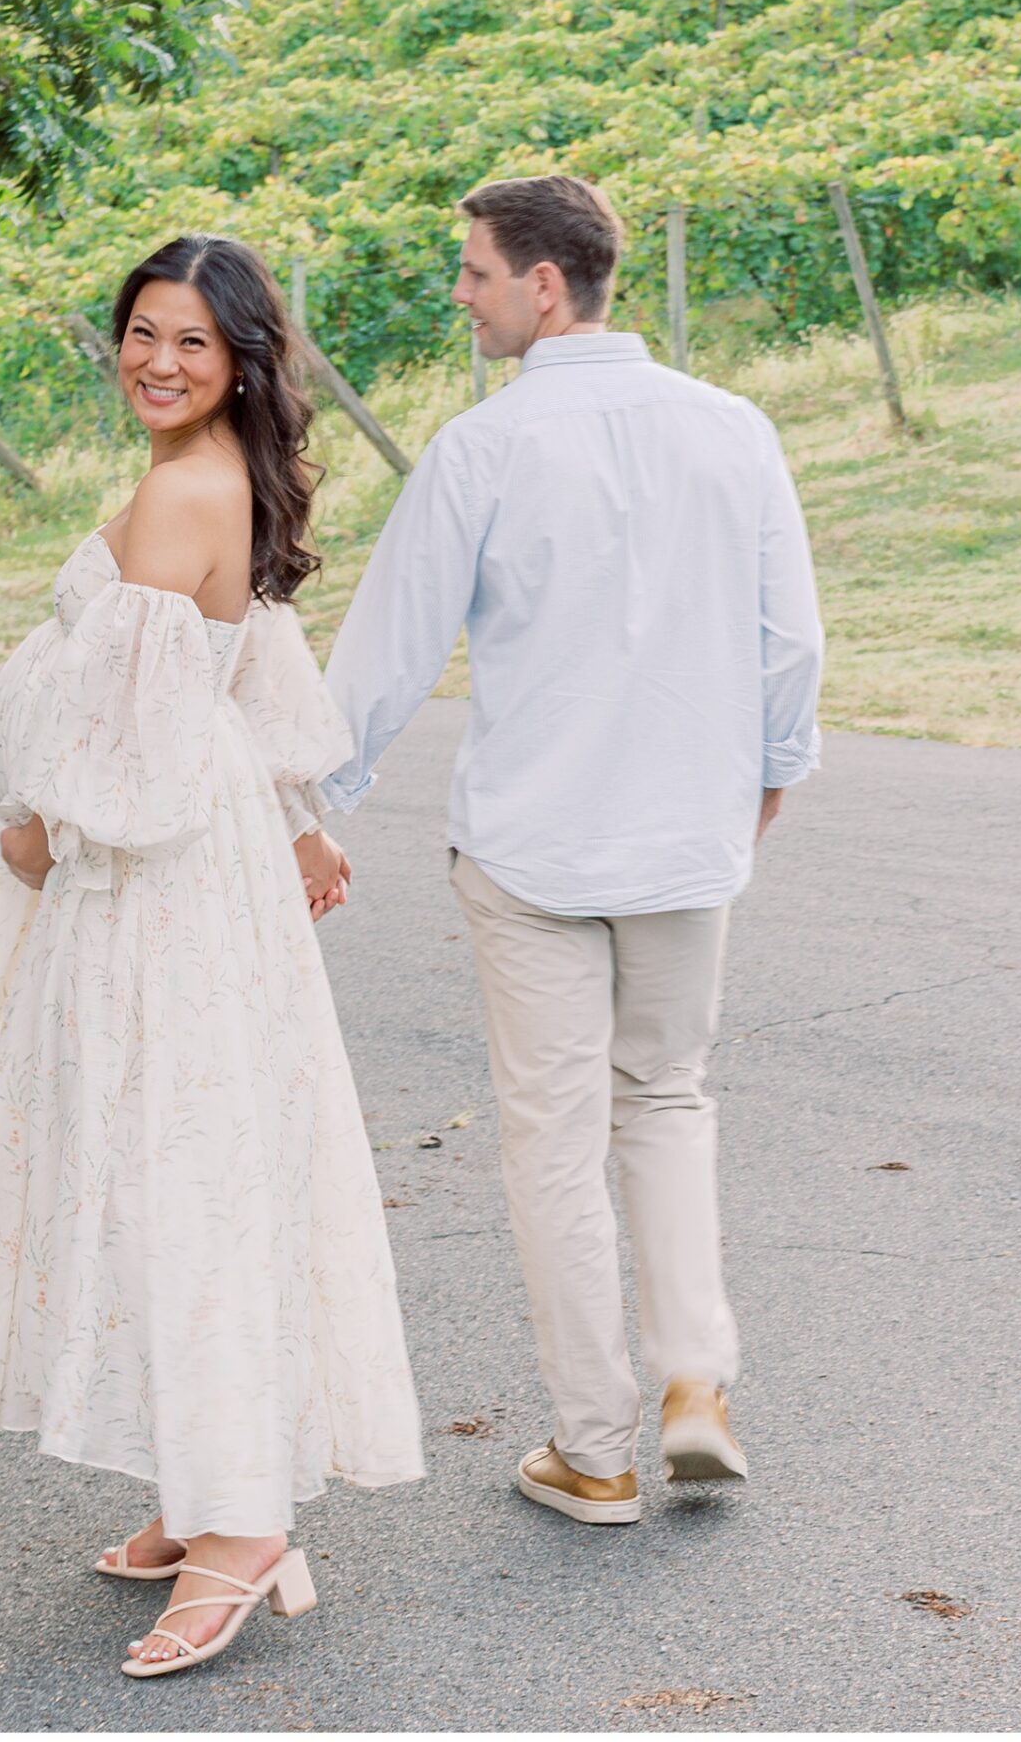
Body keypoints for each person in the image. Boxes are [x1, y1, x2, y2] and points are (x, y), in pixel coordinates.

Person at [0, 234, 422, 1677]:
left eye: (192, 343)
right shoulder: (230, 483)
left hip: (160, 900)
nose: (156, 361)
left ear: (242, 360)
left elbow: (124, 752)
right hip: (215, 883)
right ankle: (216, 1484)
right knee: (200, 1171)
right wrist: (297, 818)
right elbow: (248, 666)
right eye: (142, 332)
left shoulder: (174, 497)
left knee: (176, 1176)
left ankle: (245, 1527)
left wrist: (36, 833)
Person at [320, 174, 823, 1524]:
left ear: (545, 286)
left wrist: (316, 801)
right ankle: (695, 1384)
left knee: (552, 1138)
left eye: (475, 273)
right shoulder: (734, 429)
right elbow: (793, 639)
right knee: (665, 1098)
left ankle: (594, 1449)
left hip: (532, 847)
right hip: (683, 839)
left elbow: (388, 651)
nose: (462, 296)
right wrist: (770, 774)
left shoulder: (482, 449)